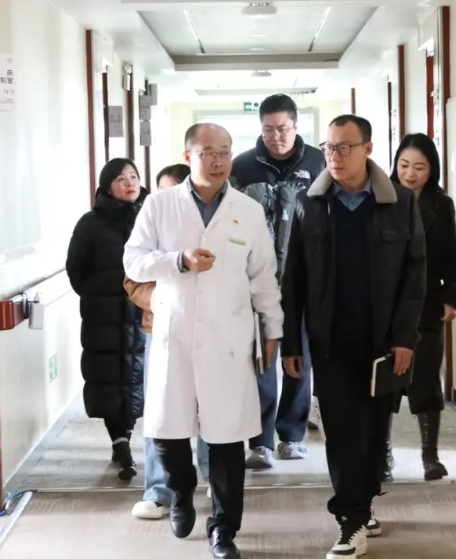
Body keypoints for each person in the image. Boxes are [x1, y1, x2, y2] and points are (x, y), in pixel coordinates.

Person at [123, 123, 283, 559]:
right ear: (188, 156)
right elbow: (133, 261)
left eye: (225, 152)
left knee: (227, 437)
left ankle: (224, 529)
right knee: (167, 434)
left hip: (228, 340)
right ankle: (180, 491)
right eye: (208, 152)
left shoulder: (247, 210)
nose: (218, 161)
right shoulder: (159, 205)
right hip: (174, 334)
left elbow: (263, 276)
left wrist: (273, 329)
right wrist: (179, 260)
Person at [280, 115, 426, 558]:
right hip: (330, 342)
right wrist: (291, 343)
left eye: (345, 147)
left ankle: (362, 504)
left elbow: (415, 277)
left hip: (383, 344)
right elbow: (293, 279)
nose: (335, 156)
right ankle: (351, 520)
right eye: (329, 147)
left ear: (367, 149)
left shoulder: (399, 202)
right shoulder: (308, 203)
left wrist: (405, 338)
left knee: (374, 432)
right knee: (342, 431)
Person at [231, 93, 326, 468]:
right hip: (257, 280)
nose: (276, 136)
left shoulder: (318, 162)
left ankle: (292, 436)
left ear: (296, 125)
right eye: (268, 129)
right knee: (262, 360)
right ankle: (261, 441)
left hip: (303, 279)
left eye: (282, 128)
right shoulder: (243, 166)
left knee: (299, 359)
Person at [123, 163, 212, 520]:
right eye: (161, 190)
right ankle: (158, 491)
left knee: (210, 409)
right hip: (159, 330)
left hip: (209, 331)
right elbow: (132, 279)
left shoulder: (211, 224)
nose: (166, 197)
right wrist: (162, 300)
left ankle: (212, 478)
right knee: (160, 412)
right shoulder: (150, 222)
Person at [384, 133, 456, 482]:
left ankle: (430, 456)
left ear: (432, 170)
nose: (410, 174)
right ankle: (382, 453)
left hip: (427, 303)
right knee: (384, 384)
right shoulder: (381, 197)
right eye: (404, 165)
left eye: (419, 167)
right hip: (386, 304)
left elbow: (452, 256)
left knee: (427, 379)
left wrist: (451, 297)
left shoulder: (440, 205)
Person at [66, 157, 147, 481]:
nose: (129, 183)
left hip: (142, 312)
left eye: (133, 177)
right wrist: (97, 294)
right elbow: (76, 269)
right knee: (109, 378)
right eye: (120, 179)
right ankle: (120, 444)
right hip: (104, 316)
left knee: (136, 378)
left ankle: (124, 437)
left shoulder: (150, 217)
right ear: (107, 186)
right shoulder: (90, 223)